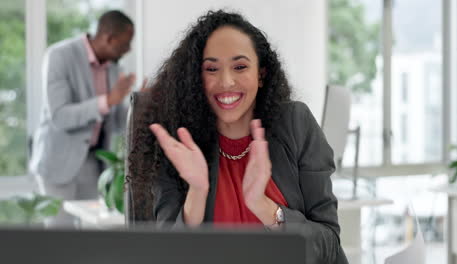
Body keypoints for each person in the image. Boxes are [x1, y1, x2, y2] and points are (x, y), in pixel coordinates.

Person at [131, 10, 348, 263]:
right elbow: (169, 257)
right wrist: (197, 192)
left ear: (261, 74)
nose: (226, 81)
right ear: (196, 79)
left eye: (240, 66)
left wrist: (264, 206)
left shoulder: (295, 122)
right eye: (211, 68)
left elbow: (329, 245)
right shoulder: (179, 142)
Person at [30, 10, 140, 227]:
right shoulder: (59, 56)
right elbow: (60, 116)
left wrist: (140, 105)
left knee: (90, 233)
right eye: (125, 43)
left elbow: (117, 123)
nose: (128, 50)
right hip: (59, 163)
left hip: (93, 164)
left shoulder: (114, 67)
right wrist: (108, 100)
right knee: (60, 236)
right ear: (109, 38)